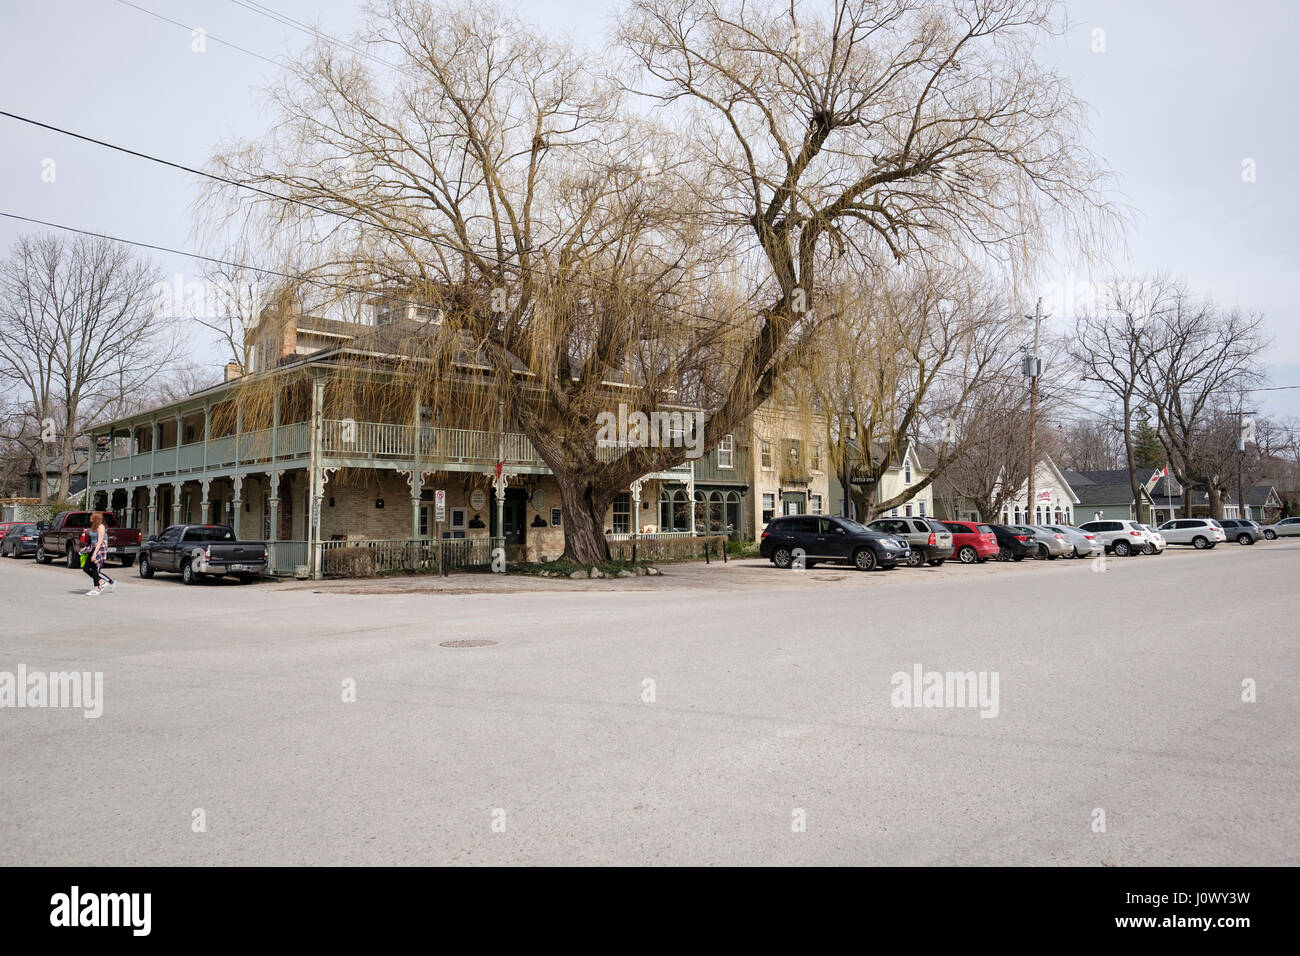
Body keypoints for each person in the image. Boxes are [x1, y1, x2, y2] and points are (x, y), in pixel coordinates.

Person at [82, 511, 116, 596]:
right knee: (86, 568)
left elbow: (100, 541)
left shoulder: (101, 527)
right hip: (93, 547)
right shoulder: (94, 526)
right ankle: (101, 582)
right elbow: (92, 535)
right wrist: (86, 532)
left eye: (92, 516)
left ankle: (96, 588)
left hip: (99, 548)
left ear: (96, 518)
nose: (90, 517)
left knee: (94, 568)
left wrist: (94, 554)